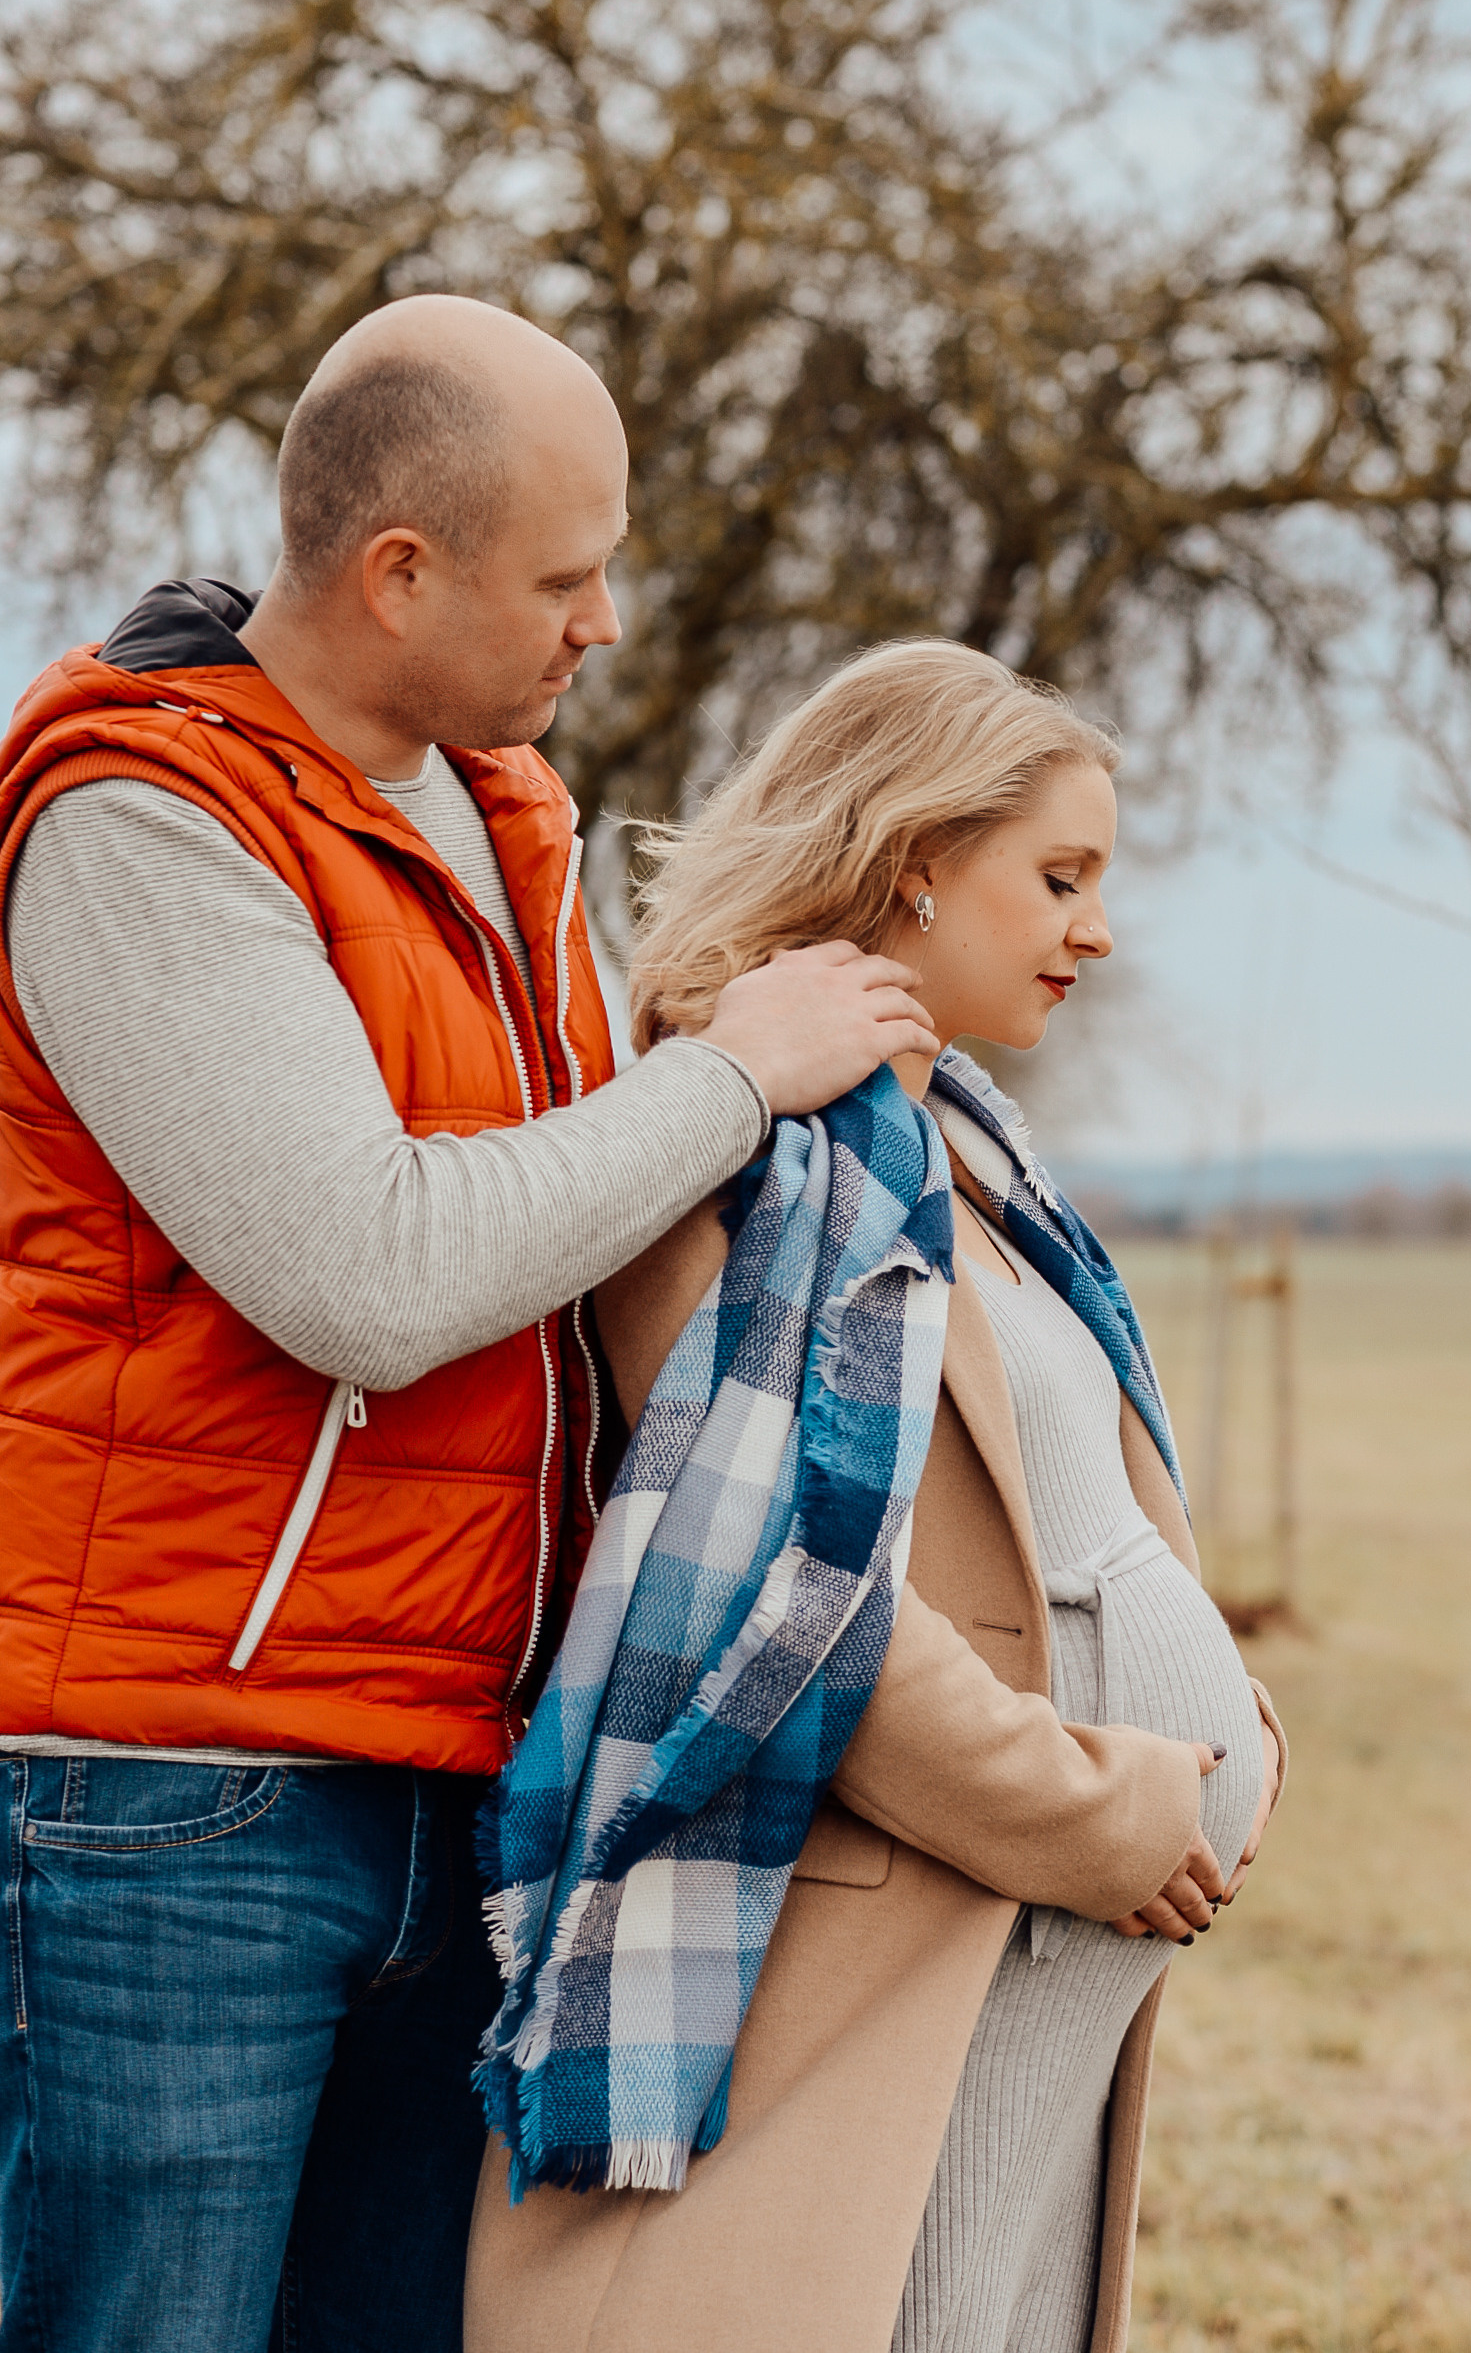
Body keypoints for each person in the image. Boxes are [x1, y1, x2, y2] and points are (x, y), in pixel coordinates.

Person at [0, 296, 941, 2353]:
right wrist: (733, 1077)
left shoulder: (497, 818)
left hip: (454, 1767)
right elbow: (374, 1275)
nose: (605, 622)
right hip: (175, 1791)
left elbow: (593, 1217)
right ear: (398, 571)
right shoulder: (143, 825)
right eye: (567, 573)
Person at [465, 639, 1286, 2353]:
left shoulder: (968, 1151)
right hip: (929, 1914)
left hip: (1049, 1920)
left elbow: (1077, 1512)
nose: (1097, 931)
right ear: (915, 858)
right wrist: (1090, 1809)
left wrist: (1226, 1728)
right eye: (1056, 879)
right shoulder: (734, 1153)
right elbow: (774, 1589)